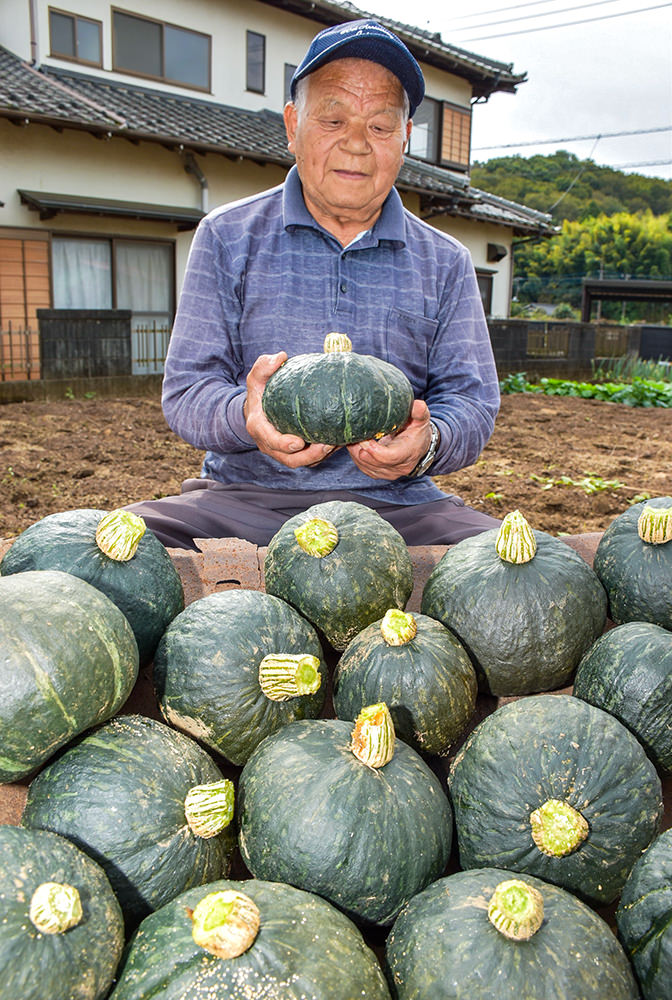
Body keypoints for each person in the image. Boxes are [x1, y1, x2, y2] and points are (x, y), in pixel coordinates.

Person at [129, 19, 502, 549]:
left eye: (379, 126)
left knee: (525, 565)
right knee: (111, 548)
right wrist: (248, 417)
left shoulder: (445, 260)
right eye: (333, 119)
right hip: (245, 498)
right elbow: (188, 392)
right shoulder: (227, 236)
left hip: (400, 507)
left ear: (405, 139)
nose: (356, 144)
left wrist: (427, 442)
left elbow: (472, 402)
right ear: (292, 125)